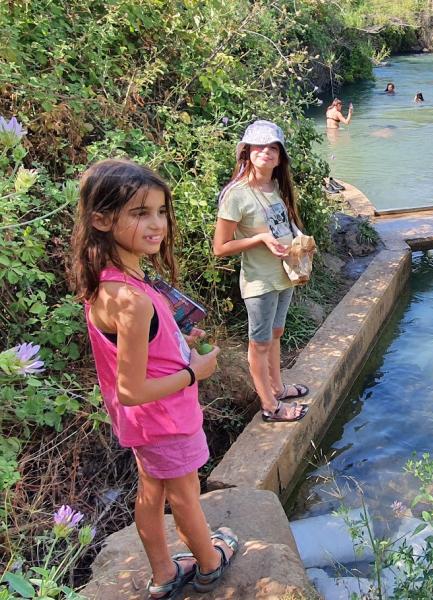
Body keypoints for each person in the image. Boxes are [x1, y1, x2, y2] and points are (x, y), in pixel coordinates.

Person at [70, 159, 238, 598]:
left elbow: (135, 352)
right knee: (185, 494)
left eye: (161, 211)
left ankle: (164, 573)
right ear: (102, 219)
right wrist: (192, 372)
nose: (157, 224)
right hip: (165, 418)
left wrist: (176, 337)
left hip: (146, 426)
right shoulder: (131, 298)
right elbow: (132, 389)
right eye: (140, 213)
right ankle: (208, 562)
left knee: (152, 489)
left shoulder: (111, 283)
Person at [213, 120, 310, 423]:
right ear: (247, 152)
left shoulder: (277, 187)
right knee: (260, 342)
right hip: (259, 282)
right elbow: (220, 247)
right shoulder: (236, 194)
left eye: (273, 147)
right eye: (259, 146)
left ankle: (278, 387)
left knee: (276, 334)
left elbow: (283, 226)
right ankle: (269, 405)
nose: (266, 151)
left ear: (280, 157)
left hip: (285, 275)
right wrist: (259, 239)